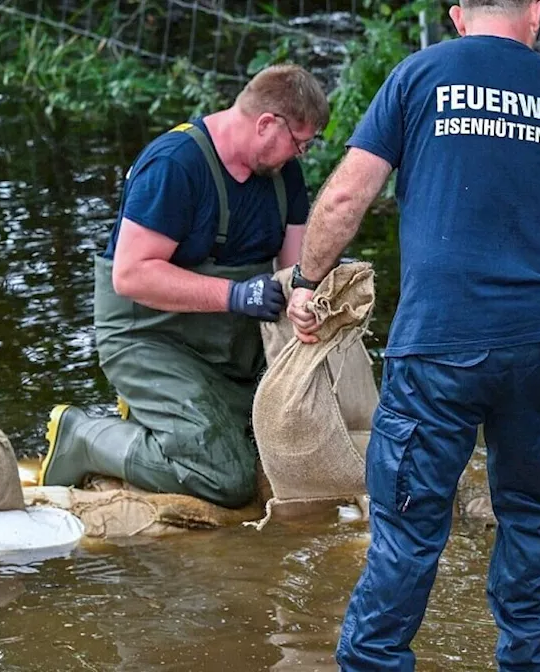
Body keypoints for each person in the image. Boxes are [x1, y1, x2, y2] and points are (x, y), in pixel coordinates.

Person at [284, 0, 540, 668]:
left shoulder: (419, 77)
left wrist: (307, 281)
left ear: (455, 15)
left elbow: (344, 199)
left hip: (439, 341)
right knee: (535, 519)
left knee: (409, 529)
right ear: (535, 12)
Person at [38, 64, 329, 509]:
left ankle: (159, 418)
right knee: (226, 480)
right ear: (266, 123)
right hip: (149, 338)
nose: (302, 155)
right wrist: (234, 295)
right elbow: (131, 275)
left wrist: (313, 293)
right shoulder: (175, 164)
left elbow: (295, 267)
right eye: (300, 143)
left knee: (280, 451)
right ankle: (85, 436)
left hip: (230, 348)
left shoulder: (282, 174)